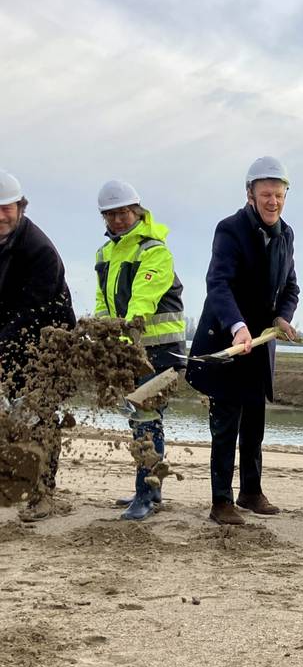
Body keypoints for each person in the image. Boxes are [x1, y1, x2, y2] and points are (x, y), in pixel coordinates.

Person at [186, 157, 299, 526]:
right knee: (226, 425)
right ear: (250, 194)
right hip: (228, 341)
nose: (273, 202)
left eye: (279, 195)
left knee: (254, 423)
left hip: (260, 344)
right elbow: (217, 284)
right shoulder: (230, 230)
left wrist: (283, 316)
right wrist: (236, 324)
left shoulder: (287, 234)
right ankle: (221, 500)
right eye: (266, 194)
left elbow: (291, 287)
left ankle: (251, 490)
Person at [94, 180, 186, 520]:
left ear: (137, 211)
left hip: (161, 354)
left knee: (147, 421)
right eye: (110, 215)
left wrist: (123, 339)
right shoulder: (105, 254)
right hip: (131, 351)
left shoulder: (154, 251)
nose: (117, 220)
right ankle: (150, 488)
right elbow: (104, 302)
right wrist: (104, 336)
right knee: (139, 422)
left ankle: (146, 495)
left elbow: (140, 303)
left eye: (123, 212)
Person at [0, 170, 76, 520]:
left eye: (7, 208)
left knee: (40, 417)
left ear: (20, 207)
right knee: (8, 416)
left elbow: (32, 312)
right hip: (9, 338)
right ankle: (12, 484)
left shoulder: (39, 251)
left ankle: (44, 494)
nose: (1, 215)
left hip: (48, 344)